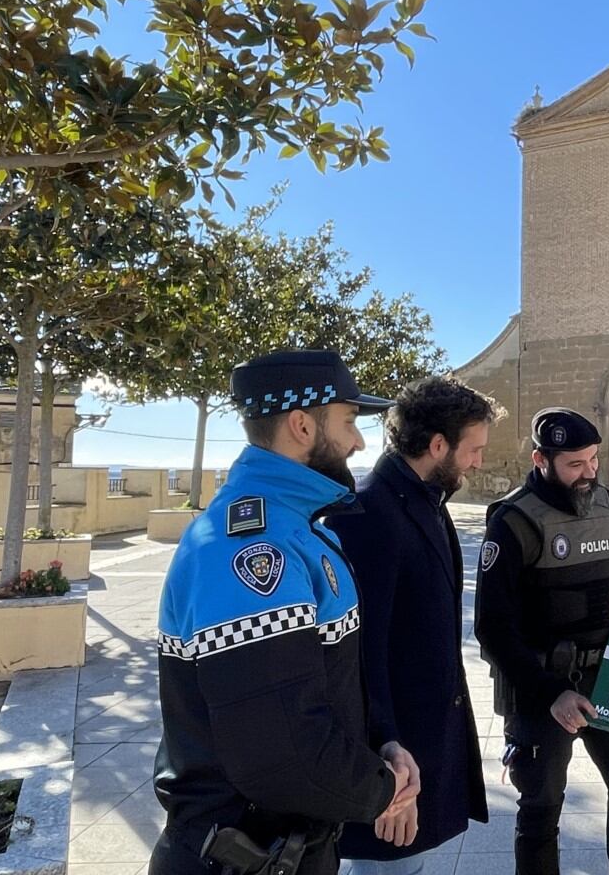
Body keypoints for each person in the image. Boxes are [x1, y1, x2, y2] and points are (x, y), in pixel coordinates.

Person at [150, 350, 421, 875]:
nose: (359, 441)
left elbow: (322, 687)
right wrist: (383, 789)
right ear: (301, 424)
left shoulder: (296, 527)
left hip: (288, 846)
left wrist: (381, 745)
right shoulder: (249, 547)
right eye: (349, 422)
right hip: (238, 857)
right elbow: (280, 748)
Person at [329, 377, 501, 872]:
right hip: (392, 761)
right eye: (474, 450)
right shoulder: (369, 513)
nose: (478, 462)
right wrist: (383, 755)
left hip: (421, 750)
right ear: (438, 445)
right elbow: (358, 653)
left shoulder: (425, 501)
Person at [474, 408, 609, 875]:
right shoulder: (513, 522)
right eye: (575, 464)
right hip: (540, 688)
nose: (589, 473)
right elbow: (492, 628)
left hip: (605, 678)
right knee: (541, 807)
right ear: (541, 459)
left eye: (594, 460)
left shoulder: (608, 506)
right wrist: (551, 693)